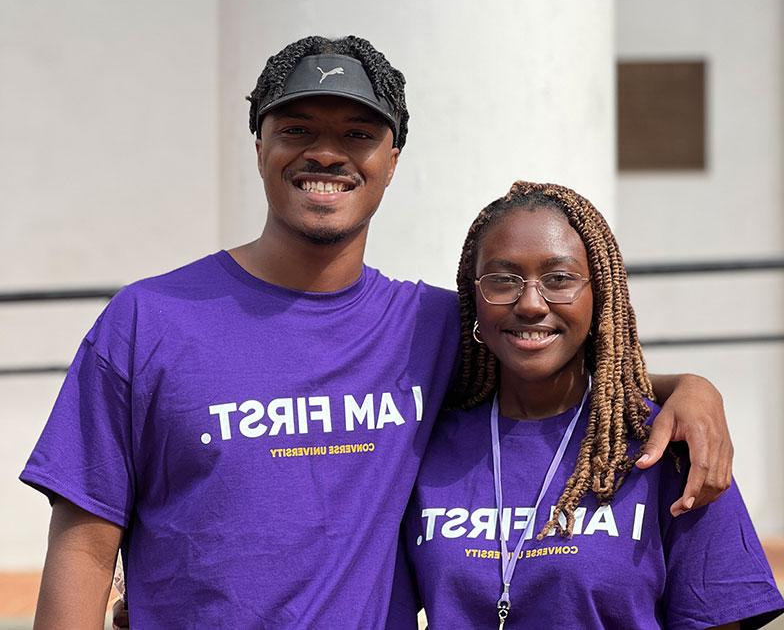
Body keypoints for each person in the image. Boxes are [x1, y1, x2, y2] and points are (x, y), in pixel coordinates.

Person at [22, 36, 733, 628]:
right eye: (296, 128)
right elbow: (84, 545)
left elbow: (551, 364)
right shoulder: (148, 321)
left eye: (357, 134)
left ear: (393, 159)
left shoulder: (433, 326)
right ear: (260, 144)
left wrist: (688, 388)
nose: (326, 153)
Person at [397, 182, 784, 629]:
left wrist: (694, 387)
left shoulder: (666, 445)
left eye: (559, 279)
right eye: (503, 280)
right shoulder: (423, 446)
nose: (530, 303)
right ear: (473, 302)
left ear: (599, 296)